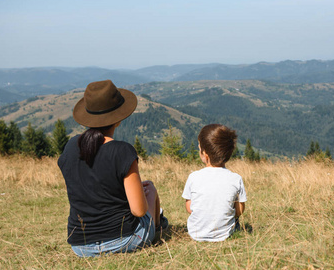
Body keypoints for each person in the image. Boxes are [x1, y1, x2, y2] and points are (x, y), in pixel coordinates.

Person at [58, 80, 167, 257]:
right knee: (150, 188)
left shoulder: (70, 147)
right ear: (118, 118)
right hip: (125, 240)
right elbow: (138, 210)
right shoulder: (123, 151)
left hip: (81, 246)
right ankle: (157, 228)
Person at [182, 124, 247, 242]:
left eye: (199, 148)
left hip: (195, 233)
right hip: (225, 235)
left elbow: (189, 208)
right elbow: (239, 210)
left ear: (205, 154)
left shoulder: (193, 177)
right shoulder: (235, 179)